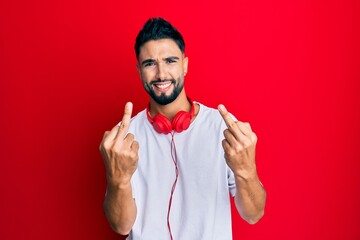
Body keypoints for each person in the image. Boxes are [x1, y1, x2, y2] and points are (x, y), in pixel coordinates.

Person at [99, 17, 266, 240]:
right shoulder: (122, 140)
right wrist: (116, 178)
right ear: (139, 70)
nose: (161, 74)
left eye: (170, 61)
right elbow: (121, 226)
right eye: (150, 63)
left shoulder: (221, 127)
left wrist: (246, 170)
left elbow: (253, 215)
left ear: (185, 65)